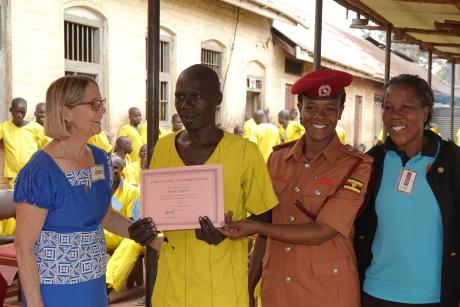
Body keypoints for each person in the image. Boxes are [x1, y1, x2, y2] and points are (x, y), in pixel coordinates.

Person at [222, 69, 373, 307]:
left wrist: (254, 226)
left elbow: (323, 231)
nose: (319, 117)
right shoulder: (277, 159)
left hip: (328, 292)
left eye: (329, 109)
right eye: (311, 107)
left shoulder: (356, 165)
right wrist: (249, 286)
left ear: (340, 112)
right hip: (277, 289)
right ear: (299, 108)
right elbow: (265, 229)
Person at [13, 75, 157, 307]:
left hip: (94, 283)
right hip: (55, 291)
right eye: (94, 104)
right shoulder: (39, 172)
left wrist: (147, 237)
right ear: (65, 112)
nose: (103, 111)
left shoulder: (100, 159)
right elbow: (24, 246)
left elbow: (106, 216)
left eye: (101, 102)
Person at [148, 64, 278, 307]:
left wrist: (229, 232)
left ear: (217, 99)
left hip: (221, 289)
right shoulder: (164, 147)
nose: (185, 105)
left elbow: (266, 216)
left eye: (195, 97)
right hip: (171, 287)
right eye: (180, 97)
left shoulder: (244, 152)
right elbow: (157, 210)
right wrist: (144, 231)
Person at [354, 74, 460, 307]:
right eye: (388, 107)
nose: (395, 115)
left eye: (406, 107)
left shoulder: (453, 163)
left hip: (435, 297)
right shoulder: (372, 163)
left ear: (426, 112)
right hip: (376, 293)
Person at [105, 155, 143, 295]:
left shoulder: (132, 192)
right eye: (108, 167)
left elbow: (134, 221)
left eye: (115, 167)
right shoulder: (101, 189)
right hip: (105, 235)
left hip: (123, 234)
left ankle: (106, 287)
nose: (111, 170)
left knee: (131, 242)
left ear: (122, 170)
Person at [0, 98, 47, 187]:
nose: (20, 115)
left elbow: (48, 144)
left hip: (33, 173)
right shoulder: (4, 127)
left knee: (32, 198)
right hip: (14, 175)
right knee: (16, 198)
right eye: (17, 112)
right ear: (11, 110)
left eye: (23, 112)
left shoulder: (35, 128)